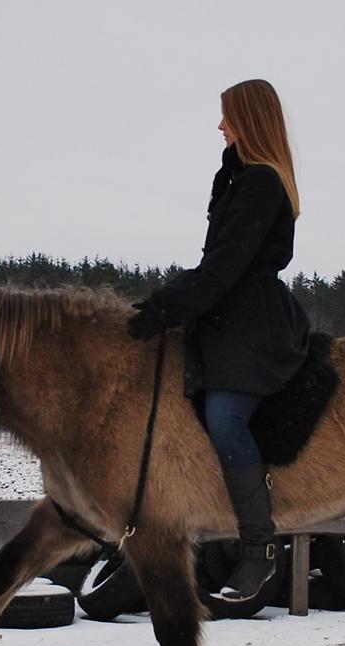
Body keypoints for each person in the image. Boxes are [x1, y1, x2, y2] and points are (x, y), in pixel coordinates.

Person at [127, 78, 310, 602]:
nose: (220, 126)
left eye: (228, 117)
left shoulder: (261, 183)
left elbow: (225, 267)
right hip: (224, 318)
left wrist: (164, 307)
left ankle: (260, 550)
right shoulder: (237, 179)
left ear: (249, 121)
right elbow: (216, 264)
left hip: (251, 326)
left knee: (227, 420)